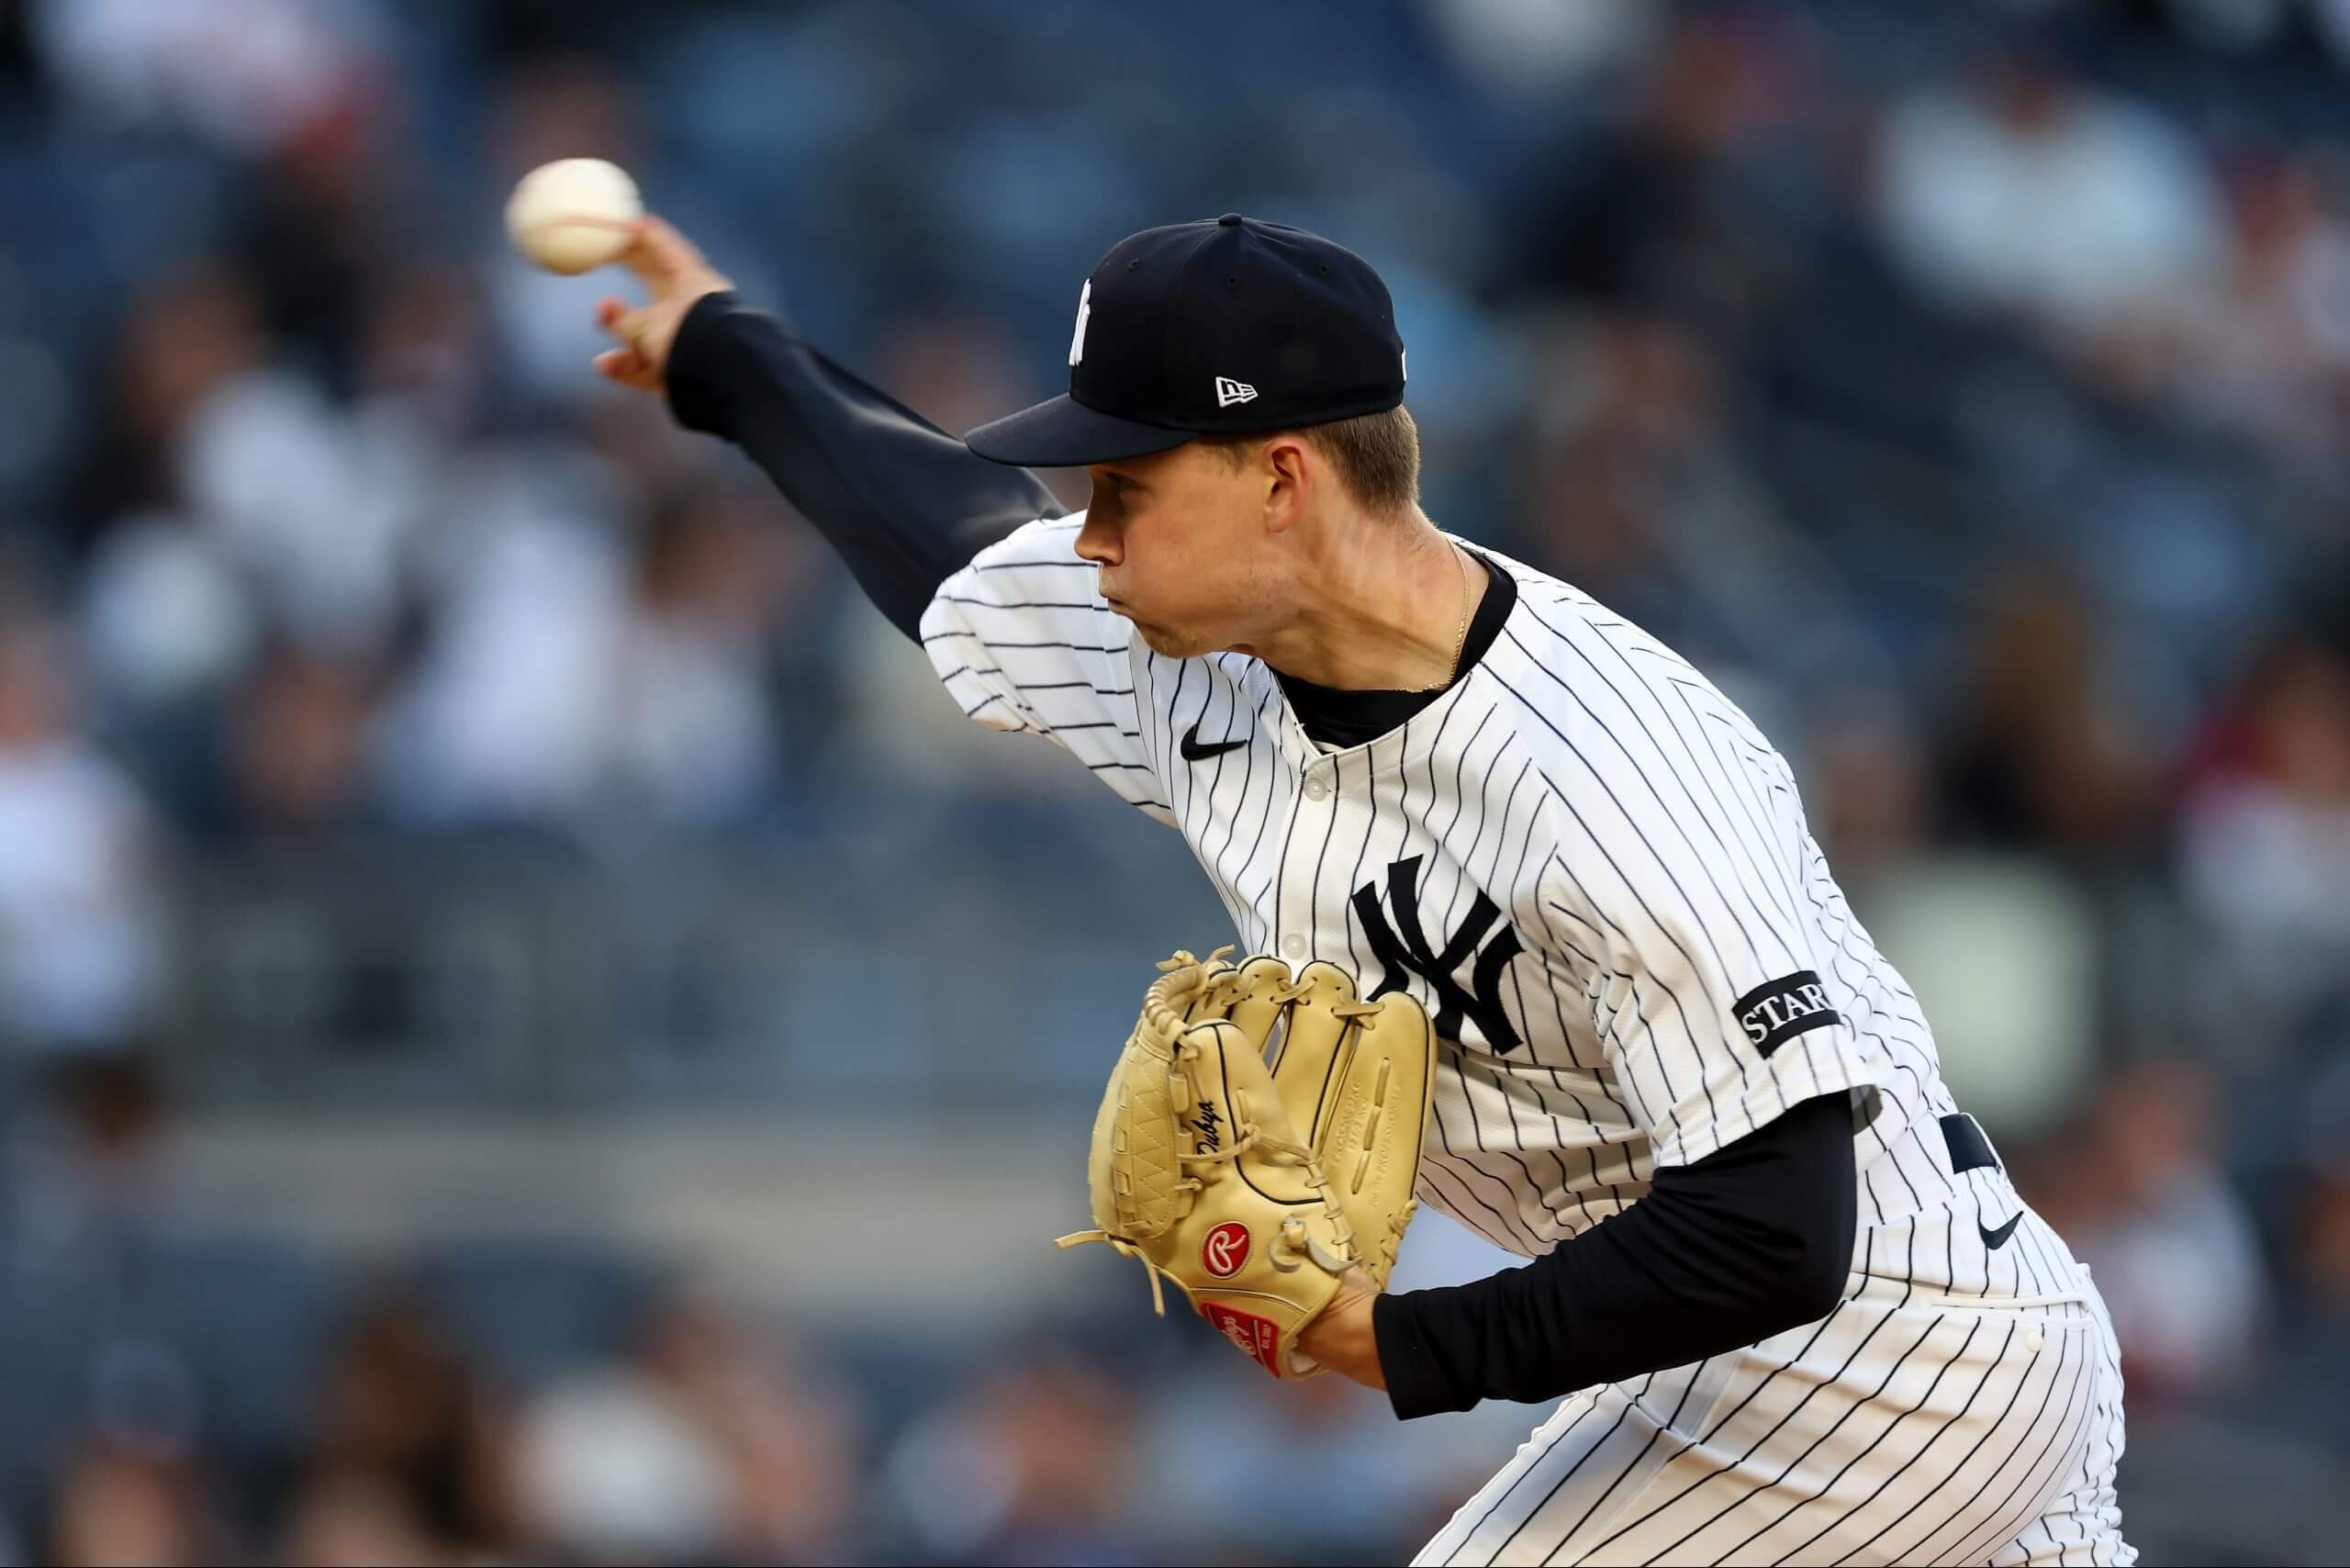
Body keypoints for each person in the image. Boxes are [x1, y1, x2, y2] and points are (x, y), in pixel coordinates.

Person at [590, 212, 2132, 1565]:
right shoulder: (1193, 651)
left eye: (1121, 484)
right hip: (1826, 1345)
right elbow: (950, 540)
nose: (1094, 538)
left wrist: (1397, 1345)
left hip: (1884, 1352)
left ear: (1281, 478)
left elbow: (1778, 1227)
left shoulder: (1615, 774)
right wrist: (728, 355)